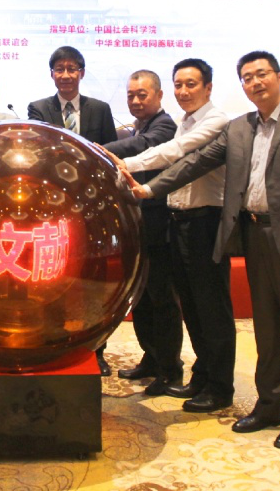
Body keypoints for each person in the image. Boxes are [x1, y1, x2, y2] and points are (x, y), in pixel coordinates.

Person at [133, 51, 280, 449]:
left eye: (261, 74)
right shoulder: (239, 128)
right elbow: (194, 163)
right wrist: (149, 188)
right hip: (254, 235)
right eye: (247, 77)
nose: (255, 82)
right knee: (266, 329)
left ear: (279, 76)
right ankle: (269, 406)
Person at [109, 58, 234, 409]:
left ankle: (220, 388)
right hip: (181, 223)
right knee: (192, 307)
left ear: (208, 87)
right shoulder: (184, 122)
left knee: (212, 309)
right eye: (179, 84)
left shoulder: (216, 121)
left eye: (190, 84)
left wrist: (125, 163)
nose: (183, 91)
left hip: (207, 222)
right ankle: (203, 377)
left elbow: (174, 153)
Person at [26, 45, 119, 374]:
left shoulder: (100, 109)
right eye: (59, 69)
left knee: (93, 281)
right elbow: (41, 152)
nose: (66, 75)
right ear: (52, 74)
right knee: (52, 277)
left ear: (82, 72)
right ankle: (53, 340)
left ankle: (96, 349)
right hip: (52, 208)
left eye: (72, 69)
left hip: (92, 208)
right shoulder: (38, 108)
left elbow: (110, 154)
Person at [101, 70, 181, 396]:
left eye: (142, 94)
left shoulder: (165, 127)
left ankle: (170, 369)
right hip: (140, 228)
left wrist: (96, 147)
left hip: (160, 227)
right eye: (131, 95)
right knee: (142, 299)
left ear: (159, 96)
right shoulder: (139, 125)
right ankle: (151, 358)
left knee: (162, 299)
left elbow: (142, 146)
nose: (135, 100)